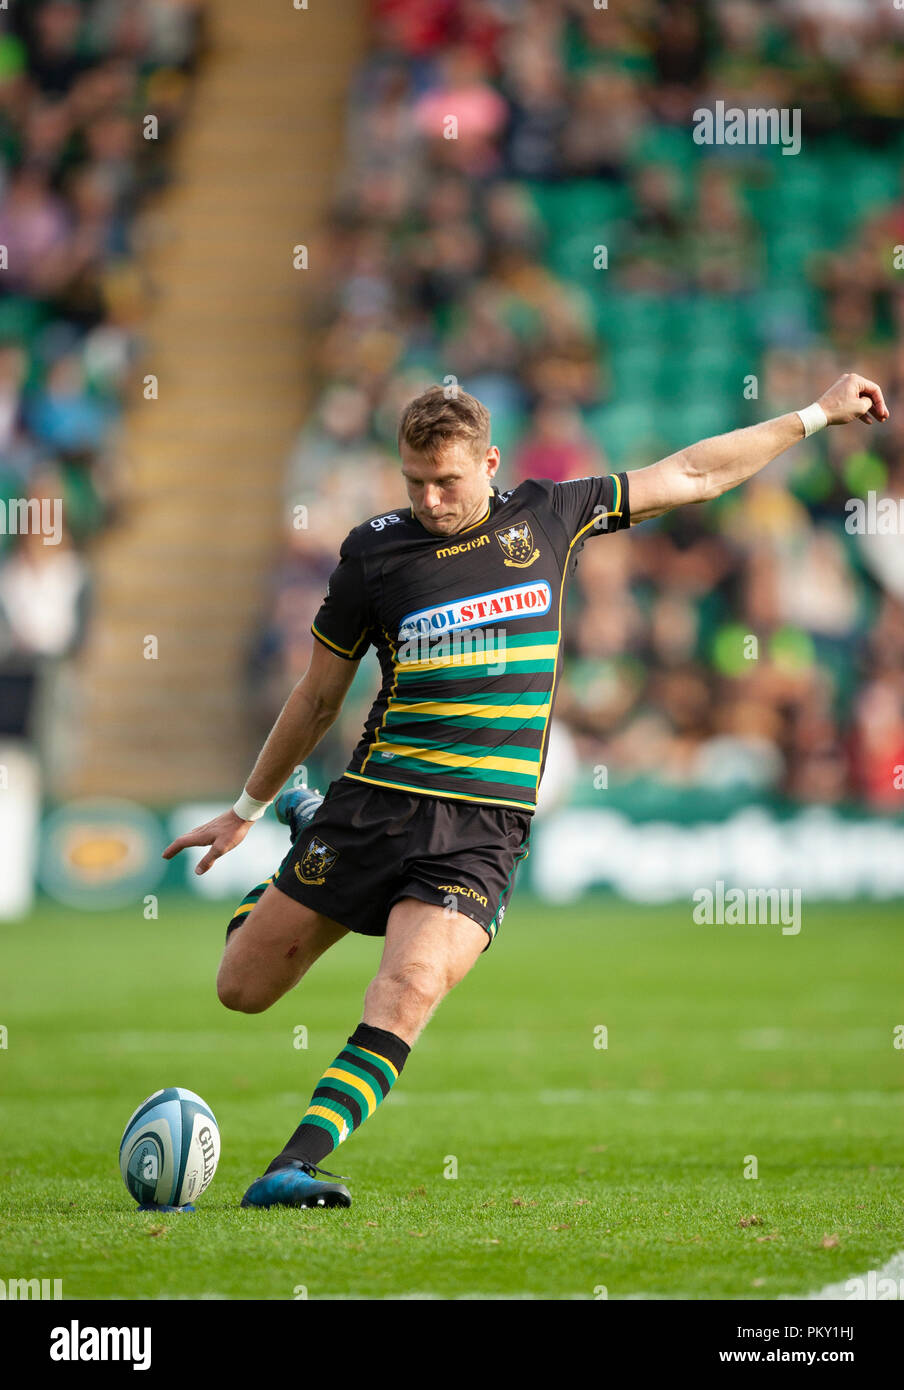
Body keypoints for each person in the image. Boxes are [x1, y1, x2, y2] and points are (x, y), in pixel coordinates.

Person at [162, 374, 888, 1210]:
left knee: (410, 985)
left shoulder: (546, 515)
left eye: (449, 481)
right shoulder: (373, 552)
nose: (431, 499)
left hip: (483, 826)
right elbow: (319, 696)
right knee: (242, 990)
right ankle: (308, 823)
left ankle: (293, 1164)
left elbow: (691, 473)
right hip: (375, 803)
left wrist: (815, 414)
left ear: (491, 463)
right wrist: (249, 806)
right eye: (414, 483)